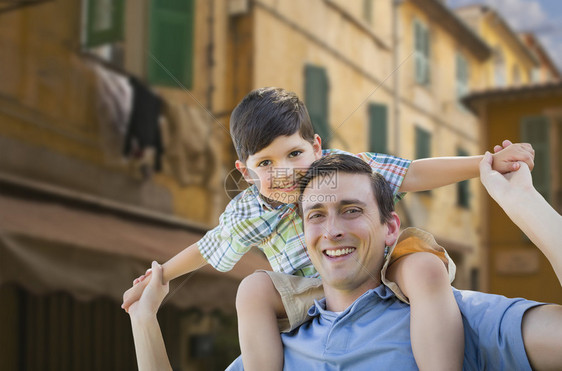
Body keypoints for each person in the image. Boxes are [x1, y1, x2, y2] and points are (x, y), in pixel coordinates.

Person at [122, 87, 535, 371]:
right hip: (310, 289)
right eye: (265, 164)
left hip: (379, 265)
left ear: (317, 148)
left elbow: (411, 173)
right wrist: (160, 275)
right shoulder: (247, 211)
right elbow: (207, 247)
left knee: (424, 269)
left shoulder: (344, 169)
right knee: (252, 290)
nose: (283, 172)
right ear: (245, 173)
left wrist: (484, 164)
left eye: (295, 153)